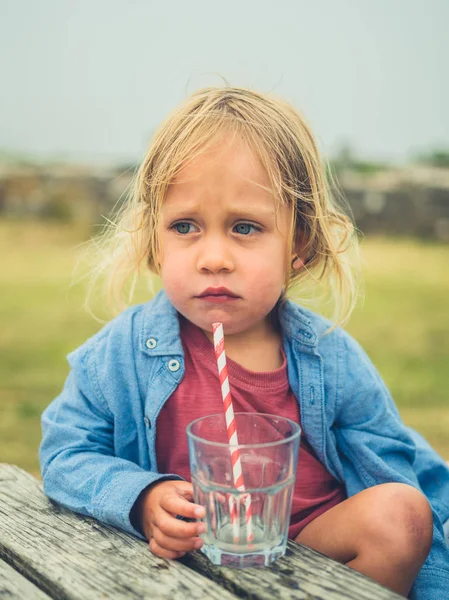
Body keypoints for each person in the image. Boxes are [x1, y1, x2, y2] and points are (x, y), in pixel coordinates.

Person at [39, 86, 449, 599]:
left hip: (313, 543)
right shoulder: (122, 353)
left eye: (245, 227)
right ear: (155, 240)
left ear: (298, 244)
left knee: (401, 516)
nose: (214, 257)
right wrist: (141, 500)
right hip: (191, 562)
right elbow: (65, 452)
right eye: (184, 226)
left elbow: (393, 468)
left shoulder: (331, 358)